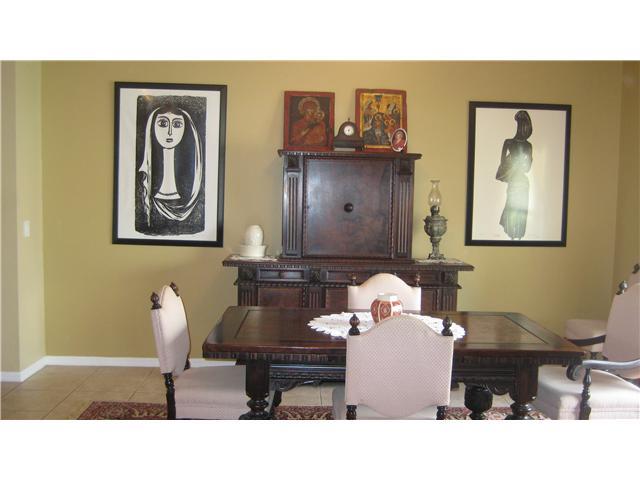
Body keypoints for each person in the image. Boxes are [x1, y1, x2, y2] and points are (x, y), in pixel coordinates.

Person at [137, 100, 204, 234]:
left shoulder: (195, 192)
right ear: (152, 126)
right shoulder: (142, 186)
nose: (169, 132)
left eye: (177, 124)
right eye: (163, 124)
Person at [495, 110, 533, 240]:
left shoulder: (528, 145)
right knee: (511, 206)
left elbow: (527, 168)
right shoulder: (509, 142)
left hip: (522, 182)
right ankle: (512, 234)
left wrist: (517, 162)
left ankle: (518, 235)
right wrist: (516, 163)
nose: (523, 129)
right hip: (515, 181)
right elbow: (503, 164)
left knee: (521, 209)